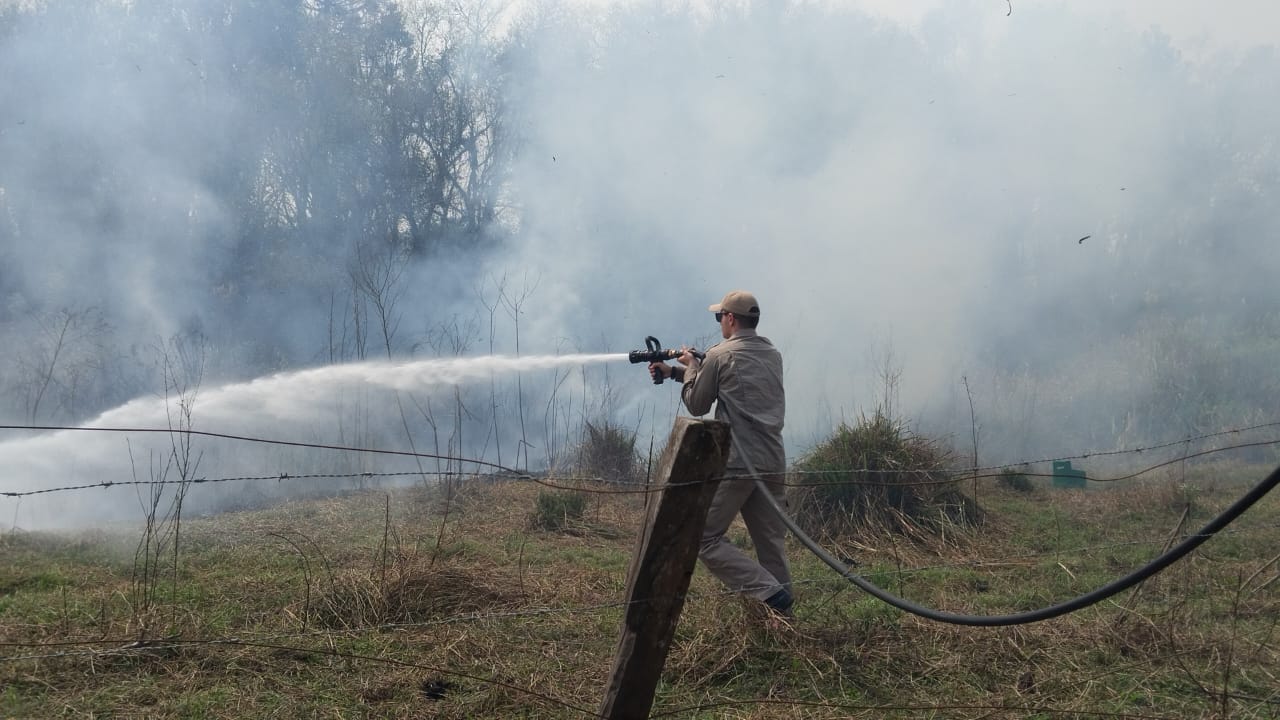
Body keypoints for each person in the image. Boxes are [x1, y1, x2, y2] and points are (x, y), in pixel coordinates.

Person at [649, 290, 793, 617]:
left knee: (704, 538)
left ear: (730, 318)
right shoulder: (773, 354)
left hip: (740, 463)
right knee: (772, 547)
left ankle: (769, 593)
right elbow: (727, 387)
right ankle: (785, 625)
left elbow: (698, 403)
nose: (719, 324)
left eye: (719, 318)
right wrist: (676, 372)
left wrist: (692, 368)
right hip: (772, 461)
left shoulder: (720, 354)